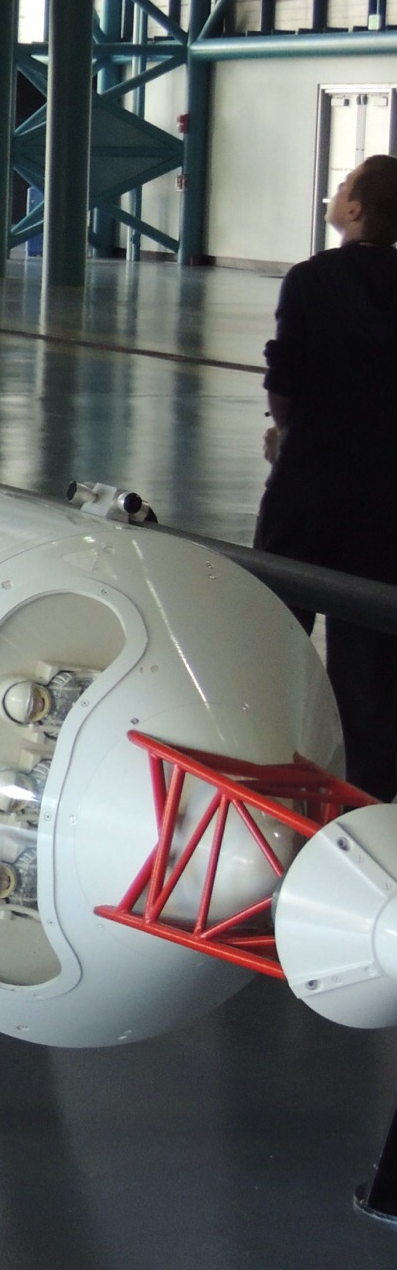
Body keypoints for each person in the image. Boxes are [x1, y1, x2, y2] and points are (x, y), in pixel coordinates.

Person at [254, 153, 397, 799]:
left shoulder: (311, 279)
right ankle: (365, 797)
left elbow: (284, 380)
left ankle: (265, 764)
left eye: (343, 186)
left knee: (278, 627)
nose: (336, 193)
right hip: (386, 499)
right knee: (371, 659)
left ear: (356, 209)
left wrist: (287, 435)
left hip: (308, 484)